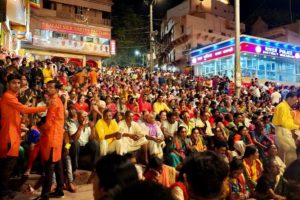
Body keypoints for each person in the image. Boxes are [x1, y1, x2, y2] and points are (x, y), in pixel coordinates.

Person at [0, 73, 47, 200]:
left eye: (18, 82)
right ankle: (3, 192)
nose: (17, 85)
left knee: (8, 166)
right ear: (8, 84)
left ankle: (4, 190)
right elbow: (25, 110)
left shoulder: (12, 97)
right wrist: (44, 108)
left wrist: (20, 126)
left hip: (12, 134)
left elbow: (10, 117)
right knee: (7, 166)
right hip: (9, 136)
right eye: (14, 82)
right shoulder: (8, 96)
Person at [37, 80, 65, 200]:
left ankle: (45, 195)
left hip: (52, 136)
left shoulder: (54, 101)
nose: (47, 89)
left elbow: (49, 122)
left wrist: (40, 128)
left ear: (56, 89)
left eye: (50, 87)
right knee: (57, 164)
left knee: (50, 166)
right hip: (57, 136)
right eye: (47, 87)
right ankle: (59, 190)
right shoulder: (57, 100)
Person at [272, 92, 299, 166]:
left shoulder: (285, 106)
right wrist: (298, 127)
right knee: (290, 153)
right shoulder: (283, 107)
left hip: (283, 131)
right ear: (289, 98)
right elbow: (285, 123)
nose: (295, 102)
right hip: (283, 131)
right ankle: (289, 173)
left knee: (285, 154)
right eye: (294, 100)